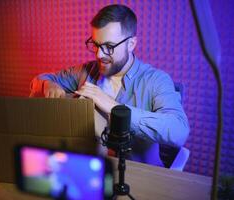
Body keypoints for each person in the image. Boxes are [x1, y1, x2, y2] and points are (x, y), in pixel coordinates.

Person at [29, 4, 189, 166]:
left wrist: (113, 107)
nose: (99, 54)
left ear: (131, 44)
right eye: (96, 45)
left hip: (141, 178)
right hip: (92, 171)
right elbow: (41, 79)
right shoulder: (86, 71)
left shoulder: (156, 80)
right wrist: (47, 84)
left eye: (109, 47)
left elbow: (179, 131)